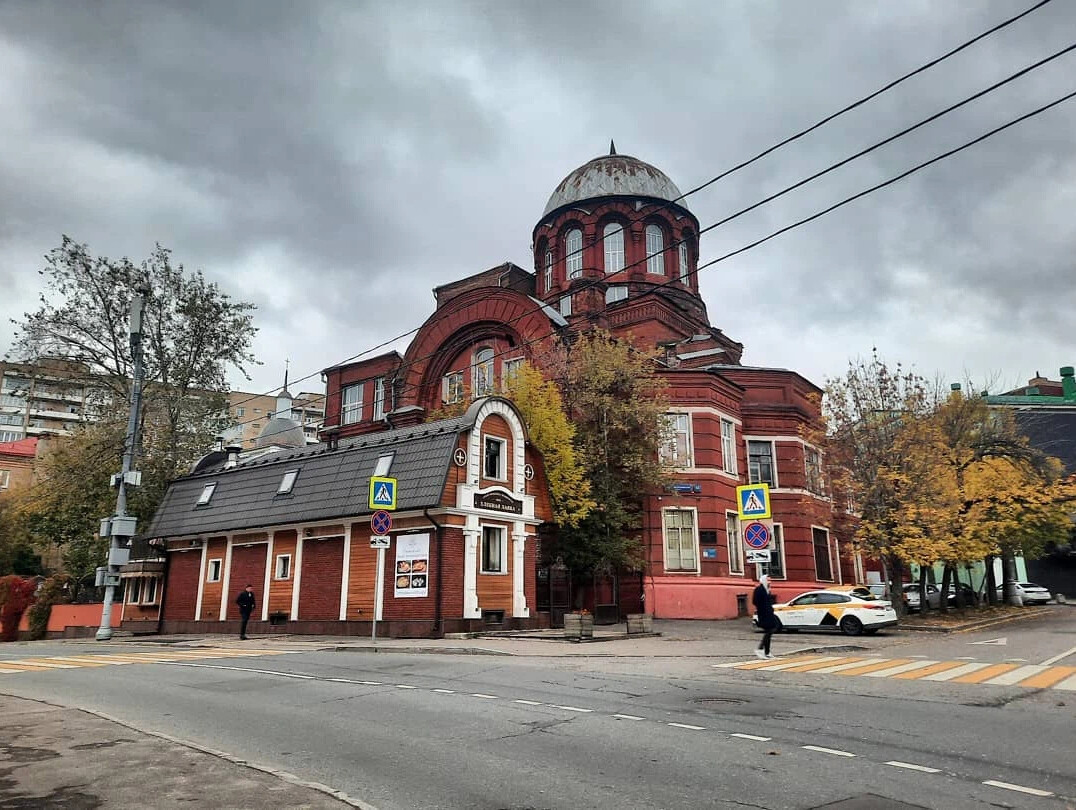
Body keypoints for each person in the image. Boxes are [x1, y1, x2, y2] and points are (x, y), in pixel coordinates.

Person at [753, 574, 778, 659]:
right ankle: (760, 649)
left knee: (771, 630)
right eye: (768, 580)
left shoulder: (767, 589)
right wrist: (762, 608)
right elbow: (755, 601)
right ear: (763, 580)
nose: (769, 582)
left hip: (769, 613)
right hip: (763, 614)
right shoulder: (759, 589)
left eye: (770, 580)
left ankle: (766, 652)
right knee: (769, 630)